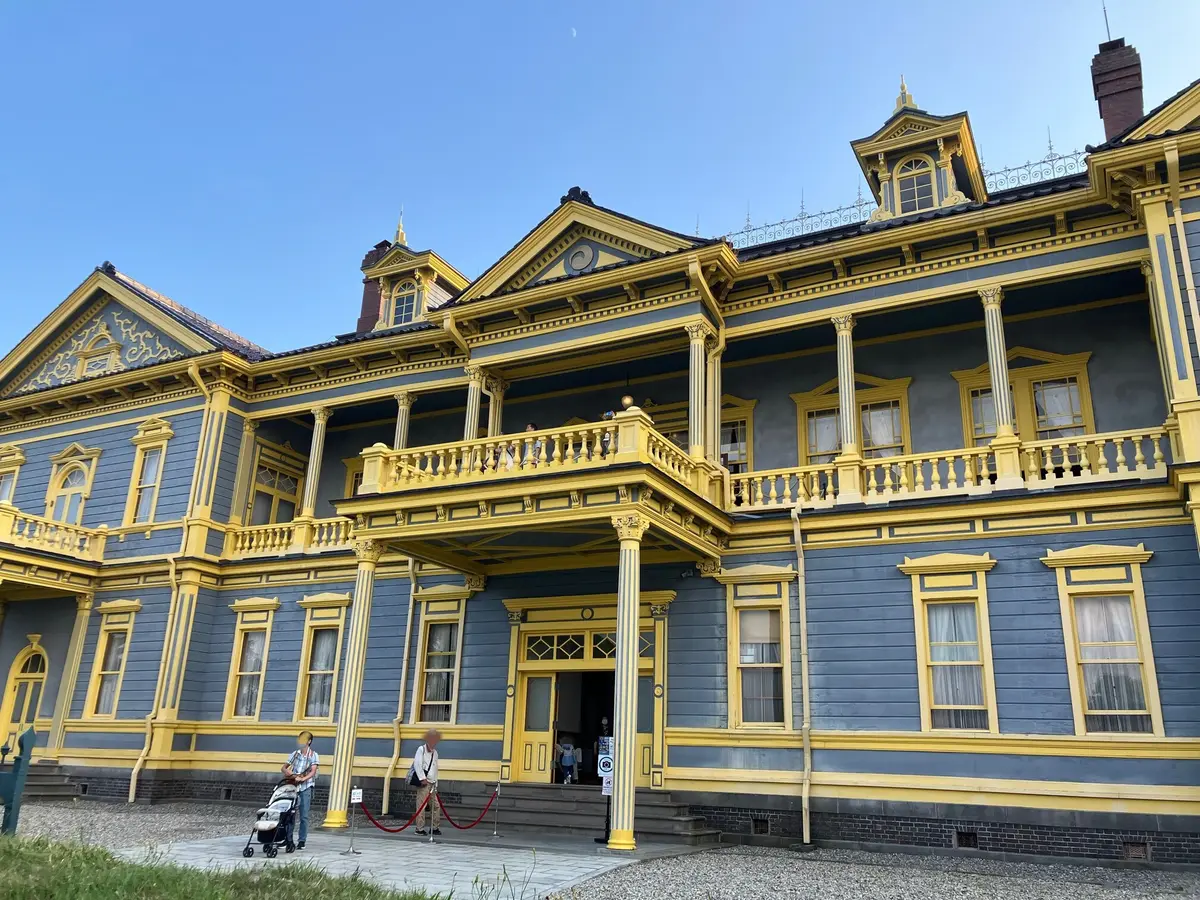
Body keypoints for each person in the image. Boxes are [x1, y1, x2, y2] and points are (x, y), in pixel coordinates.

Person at [282, 730, 319, 849]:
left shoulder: (313, 755)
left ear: (309, 741)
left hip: (305, 787)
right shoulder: (295, 754)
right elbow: (284, 767)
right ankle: (287, 838)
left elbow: (313, 771)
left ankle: (302, 840)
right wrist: (288, 772)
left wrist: (303, 779)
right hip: (293, 786)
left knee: (304, 815)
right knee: (289, 813)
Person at [411, 729, 441, 836]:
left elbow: (435, 769)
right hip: (424, 782)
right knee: (421, 806)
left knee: (436, 806)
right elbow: (417, 764)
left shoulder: (435, 753)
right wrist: (422, 778)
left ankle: (435, 827)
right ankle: (419, 828)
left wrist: (435, 783)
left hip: (432, 783)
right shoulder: (421, 750)